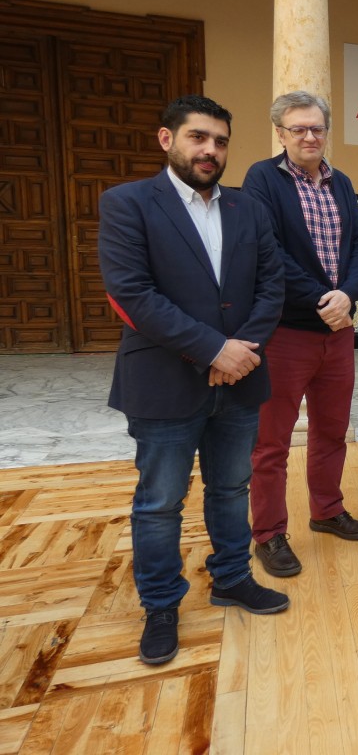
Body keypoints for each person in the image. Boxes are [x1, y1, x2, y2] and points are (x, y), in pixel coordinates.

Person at [98, 95, 289, 667]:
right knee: (160, 502)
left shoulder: (247, 208)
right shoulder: (128, 203)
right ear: (167, 139)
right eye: (198, 138)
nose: (210, 150)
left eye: (221, 141)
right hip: (164, 383)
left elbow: (271, 286)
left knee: (231, 489)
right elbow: (132, 293)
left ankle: (231, 577)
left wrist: (240, 353)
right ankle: (160, 605)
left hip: (240, 380)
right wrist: (213, 349)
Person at [241, 91, 358, 578]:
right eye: (298, 129)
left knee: (331, 431)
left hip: (337, 333)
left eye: (317, 128)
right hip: (287, 333)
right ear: (280, 132)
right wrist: (326, 298)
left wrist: (349, 295)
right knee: (272, 442)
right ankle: (270, 534)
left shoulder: (341, 183)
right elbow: (269, 255)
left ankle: (327, 510)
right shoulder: (262, 179)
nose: (309, 136)